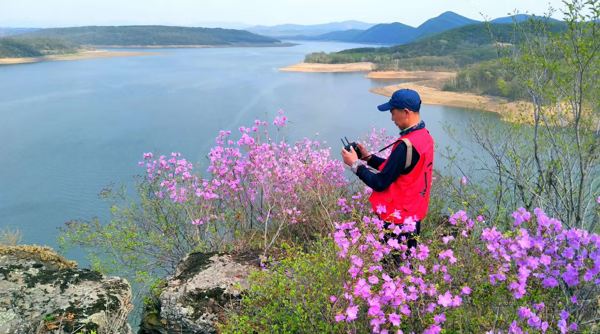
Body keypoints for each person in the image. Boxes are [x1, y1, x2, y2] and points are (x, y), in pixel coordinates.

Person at [341, 89, 434, 265]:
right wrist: (368, 158)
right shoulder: (424, 136)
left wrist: (355, 165)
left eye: (393, 113)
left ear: (406, 112)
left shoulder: (405, 146)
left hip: (397, 220)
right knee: (407, 264)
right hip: (413, 215)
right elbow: (400, 169)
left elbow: (381, 182)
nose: (391, 118)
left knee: (392, 269)